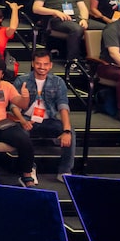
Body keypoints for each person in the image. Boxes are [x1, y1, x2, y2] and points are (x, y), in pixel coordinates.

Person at [13, 49, 75, 178]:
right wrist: (23, 121)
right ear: (33, 63)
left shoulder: (58, 82)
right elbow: (14, 106)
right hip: (26, 118)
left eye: (45, 64)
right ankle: (29, 168)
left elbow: (63, 105)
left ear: (51, 65)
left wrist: (67, 130)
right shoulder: (21, 80)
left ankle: (64, 171)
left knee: (71, 133)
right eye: (38, 64)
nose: (42, 67)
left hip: (49, 119)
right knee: (21, 134)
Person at [32, 0, 87, 65]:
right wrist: (56, 12)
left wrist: (84, 19)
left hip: (76, 17)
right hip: (57, 19)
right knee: (76, 29)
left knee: (105, 27)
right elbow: (36, 8)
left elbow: (82, 7)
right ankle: (72, 62)